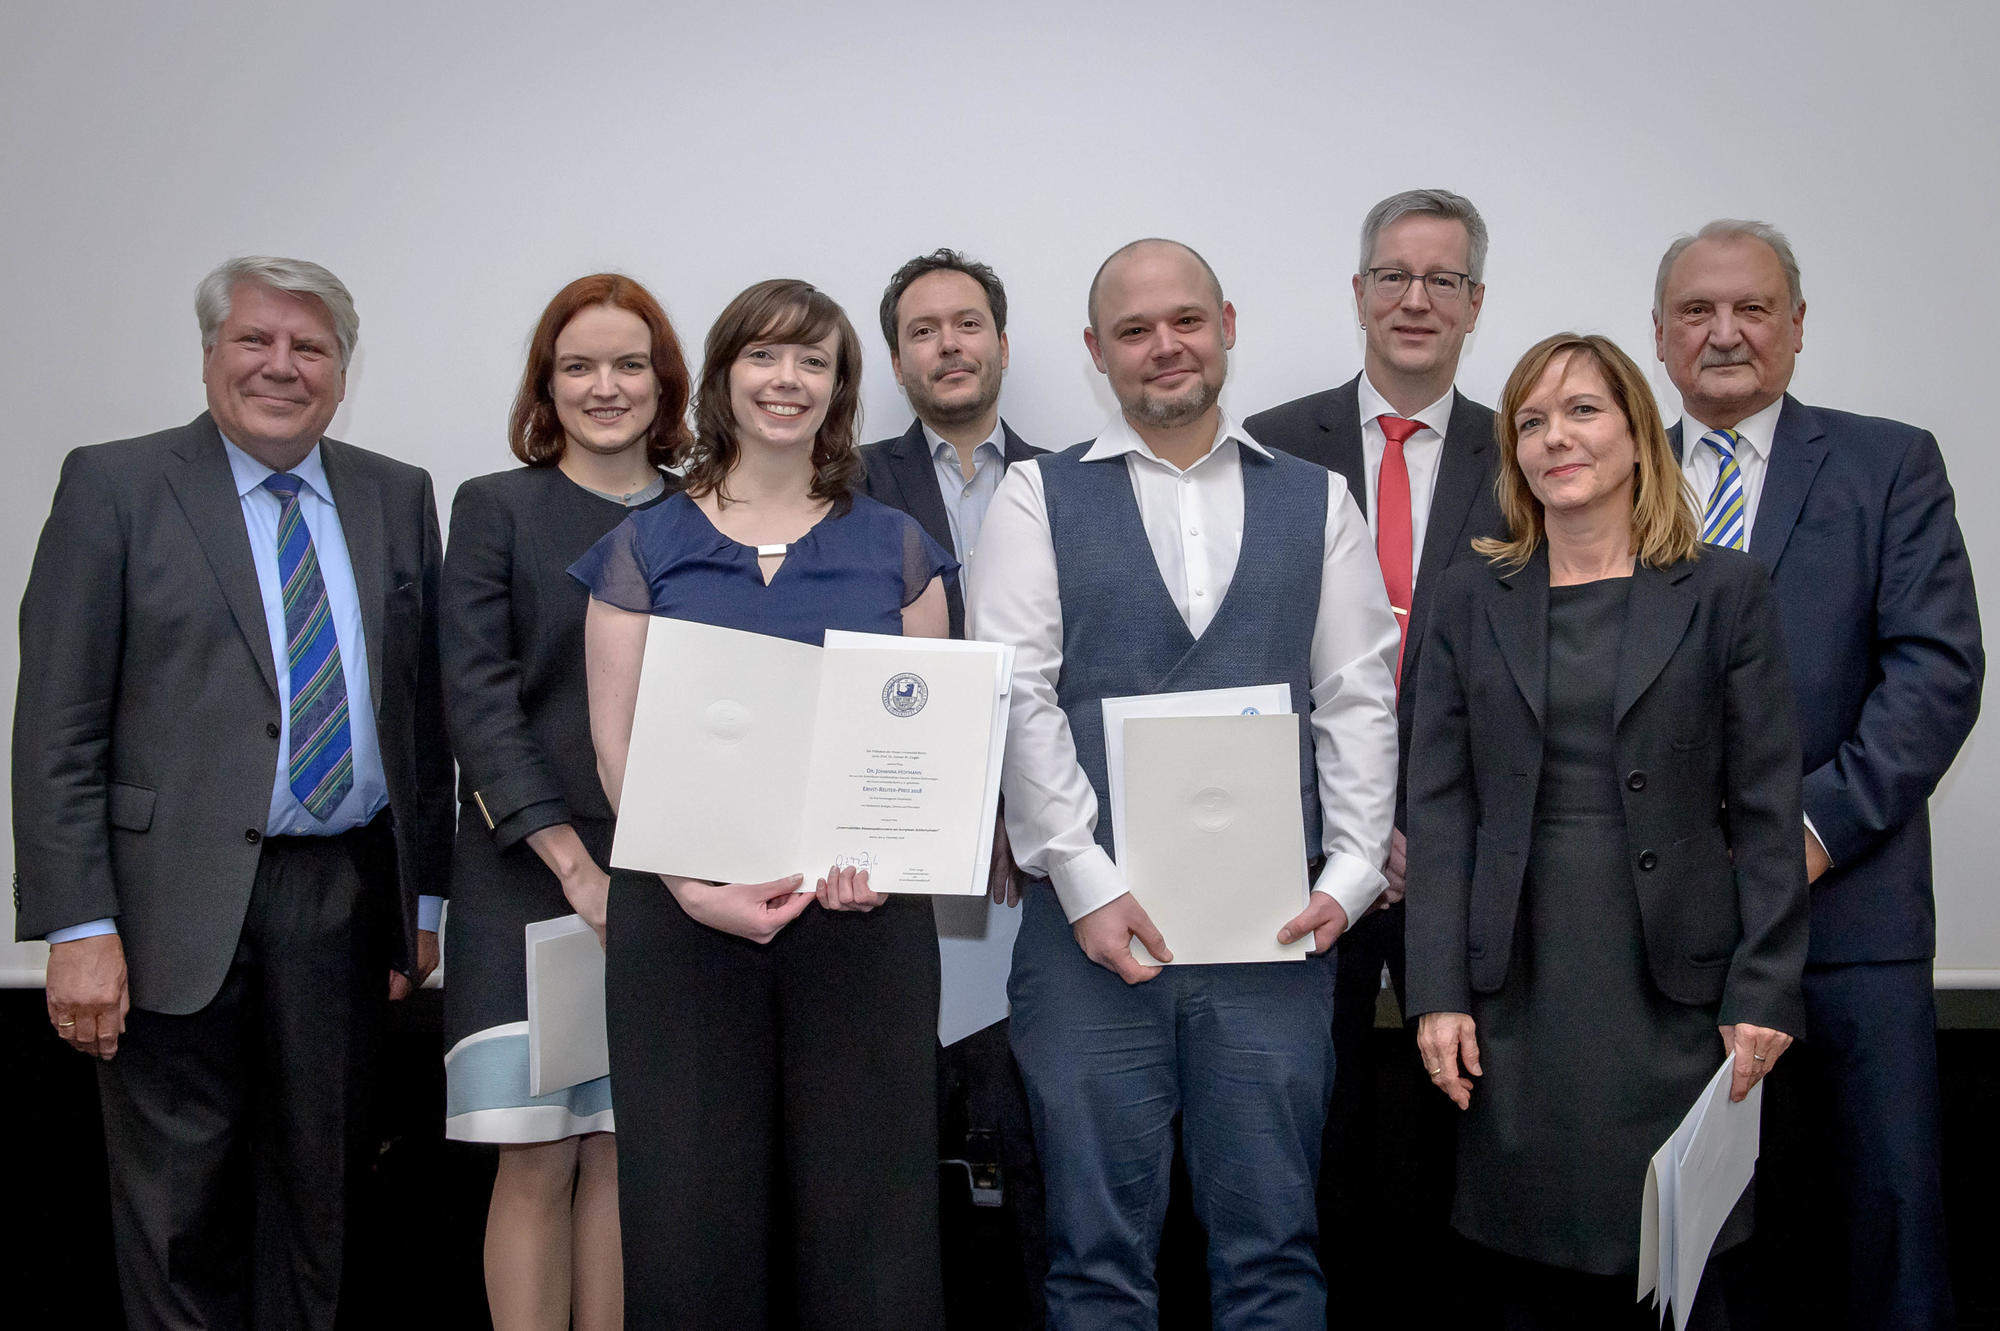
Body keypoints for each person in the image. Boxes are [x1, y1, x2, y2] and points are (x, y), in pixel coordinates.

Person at [13, 255, 454, 1328]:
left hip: (342, 898)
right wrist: (77, 921)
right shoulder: (114, 484)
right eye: (254, 340)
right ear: (209, 351)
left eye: (309, 347)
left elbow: (419, 713)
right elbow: (58, 723)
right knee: (177, 1209)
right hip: (167, 901)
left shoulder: (396, 493)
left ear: (342, 370)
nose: (280, 366)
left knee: (326, 1199)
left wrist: (422, 902)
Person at [969, 238, 1401, 1329]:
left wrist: (1349, 875)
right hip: (1087, 944)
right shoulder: (1033, 496)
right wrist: (1084, 878)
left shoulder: (1319, 500)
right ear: (1093, 353)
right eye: (1133, 329)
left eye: (1185, 320)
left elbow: (1354, 697)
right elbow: (1017, 697)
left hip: (1275, 935)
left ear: (1225, 324)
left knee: (1271, 1254)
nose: (1164, 346)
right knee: (1095, 1263)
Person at [570, 277, 955, 1328]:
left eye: (812, 361)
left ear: (838, 390)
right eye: (763, 355)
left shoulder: (900, 549)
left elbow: (924, 748)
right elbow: (616, 746)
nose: (786, 379)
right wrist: (690, 883)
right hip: (681, 919)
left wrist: (886, 859)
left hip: (858, 924)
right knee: (690, 1222)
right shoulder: (643, 547)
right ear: (724, 373)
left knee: (869, 1224)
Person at [1406, 331, 1809, 1327]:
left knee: (1676, 1266)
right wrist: (1434, 992)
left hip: (1673, 992)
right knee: (1521, 1266)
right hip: (1516, 989)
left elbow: (1763, 807)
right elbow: (1439, 805)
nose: (1555, 437)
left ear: (1637, 432)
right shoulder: (1465, 594)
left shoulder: (1723, 591)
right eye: (1530, 421)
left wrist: (1764, 985)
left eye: (1581, 410)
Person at [1653, 220, 1983, 1329]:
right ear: (1657, 336)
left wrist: (1811, 828)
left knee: (1878, 1224)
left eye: (1750, 307)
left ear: (1796, 326)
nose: (1724, 331)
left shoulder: (1888, 463)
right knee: (1702, 1247)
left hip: (1850, 919)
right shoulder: (1607, 475)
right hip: (1665, 938)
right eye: (1695, 310)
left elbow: (1934, 674)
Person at [1243, 188, 1503, 1306]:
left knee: (1475, 1124)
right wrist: (1351, 828)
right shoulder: (1265, 445)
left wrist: (1422, 824)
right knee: (1314, 1124)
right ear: (1356, 293)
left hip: (1476, 853)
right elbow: (1247, 657)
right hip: (1303, 856)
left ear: (1474, 304)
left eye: (1441, 280)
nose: (1414, 299)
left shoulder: (1524, 450)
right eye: (1392, 276)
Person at [440, 273, 691, 1329]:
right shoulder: (496, 507)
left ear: (664, 380)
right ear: (547, 383)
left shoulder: (704, 513)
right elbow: (478, 701)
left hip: (671, 881)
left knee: (627, 1157)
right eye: (578, 365)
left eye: (628, 363)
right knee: (536, 1162)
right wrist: (578, 870)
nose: (605, 386)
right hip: (527, 878)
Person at [860, 246, 1048, 1323]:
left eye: (966, 322)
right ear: (896, 358)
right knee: (898, 1132)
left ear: (1002, 343)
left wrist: (1016, 812)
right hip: (892, 857)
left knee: (1029, 1125)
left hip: (1038, 865)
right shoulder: (846, 482)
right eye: (923, 329)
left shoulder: (1072, 477)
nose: (948, 343)